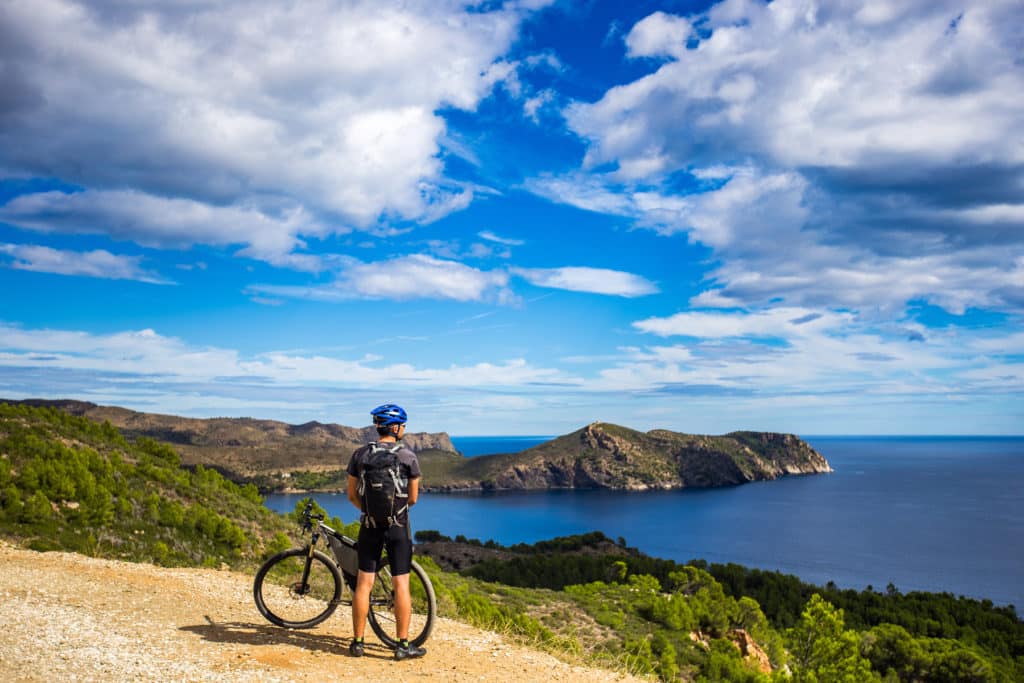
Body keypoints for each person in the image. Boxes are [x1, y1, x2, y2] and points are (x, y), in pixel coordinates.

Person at [346, 403, 425, 661]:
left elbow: (351, 495)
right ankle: (403, 645)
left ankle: (357, 643)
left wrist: (369, 513)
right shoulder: (408, 456)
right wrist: (395, 513)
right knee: (401, 583)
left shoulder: (360, 455)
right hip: (397, 527)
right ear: (395, 427)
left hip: (369, 527)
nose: (404, 429)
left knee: (364, 583)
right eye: (402, 425)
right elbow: (413, 498)